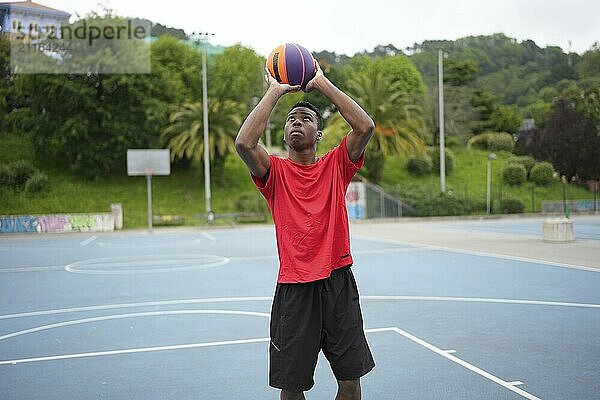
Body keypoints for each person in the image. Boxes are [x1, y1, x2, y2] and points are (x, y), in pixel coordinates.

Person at [235, 61, 375, 400]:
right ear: (284, 134)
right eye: (291, 119)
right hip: (294, 288)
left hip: (337, 281)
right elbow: (244, 143)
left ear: (318, 134)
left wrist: (321, 83)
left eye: (306, 119)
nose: (297, 122)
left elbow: (365, 126)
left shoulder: (336, 166)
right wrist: (274, 91)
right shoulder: (275, 173)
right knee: (292, 385)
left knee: (350, 380)